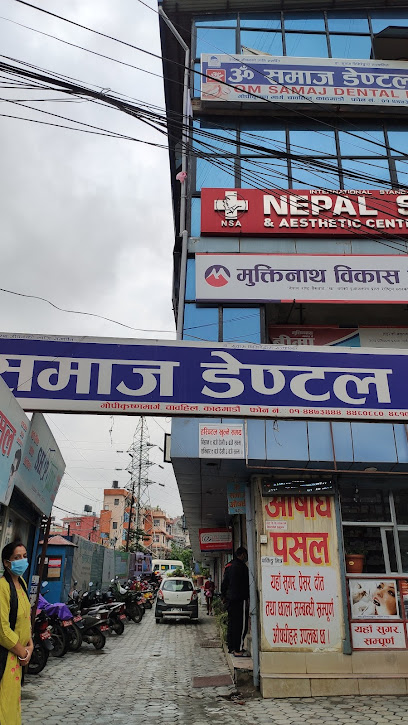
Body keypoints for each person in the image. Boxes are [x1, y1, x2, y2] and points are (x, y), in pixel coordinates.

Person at [0, 540, 33, 725]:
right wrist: (23, 652)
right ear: (7, 563)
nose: (22, 561)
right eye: (17, 557)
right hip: (6, 657)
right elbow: (2, 629)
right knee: (3, 705)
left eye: (25, 556)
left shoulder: (22, 583)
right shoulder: (2, 587)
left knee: (13, 705)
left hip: (18, 658)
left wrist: (30, 645)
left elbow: (25, 617)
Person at [221, 546, 250, 657]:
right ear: (242, 555)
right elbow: (246, 584)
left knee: (232, 624)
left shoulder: (229, 566)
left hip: (230, 600)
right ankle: (238, 649)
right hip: (240, 599)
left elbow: (224, 583)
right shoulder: (242, 567)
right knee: (240, 625)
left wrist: (223, 596)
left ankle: (231, 647)